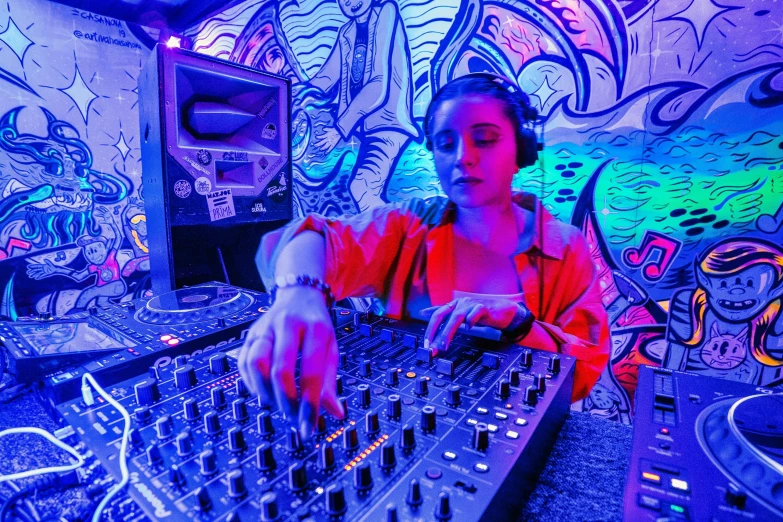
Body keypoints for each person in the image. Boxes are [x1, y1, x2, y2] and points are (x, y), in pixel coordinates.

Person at [239, 73, 610, 438]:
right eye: (446, 144)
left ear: (522, 150)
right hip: (412, 425)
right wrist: (298, 293)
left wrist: (520, 324)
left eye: (485, 139)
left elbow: (583, 374)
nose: (464, 157)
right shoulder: (407, 226)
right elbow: (313, 237)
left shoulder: (567, 247)